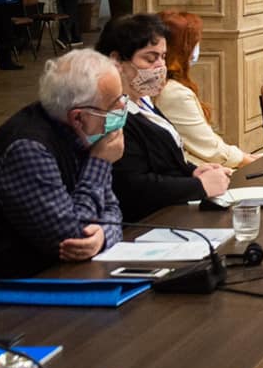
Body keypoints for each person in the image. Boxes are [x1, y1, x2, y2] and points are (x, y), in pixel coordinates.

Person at [0, 49, 127, 322]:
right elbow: (73, 239)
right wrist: (100, 163)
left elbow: (113, 211)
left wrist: (103, 237)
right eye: (114, 104)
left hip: (34, 275)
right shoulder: (28, 149)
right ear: (78, 117)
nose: (122, 110)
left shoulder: (83, 133)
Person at [97, 14, 232, 221]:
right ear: (117, 60)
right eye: (150, 59)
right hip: (144, 222)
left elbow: (163, 159)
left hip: (171, 211)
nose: (161, 66)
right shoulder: (113, 114)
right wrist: (198, 186)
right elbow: (131, 184)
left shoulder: (143, 101)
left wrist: (193, 171)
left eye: (163, 57)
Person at [152, 10, 258, 170]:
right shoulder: (173, 93)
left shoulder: (169, 87)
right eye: (195, 43)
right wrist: (251, 162)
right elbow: (209, 148)